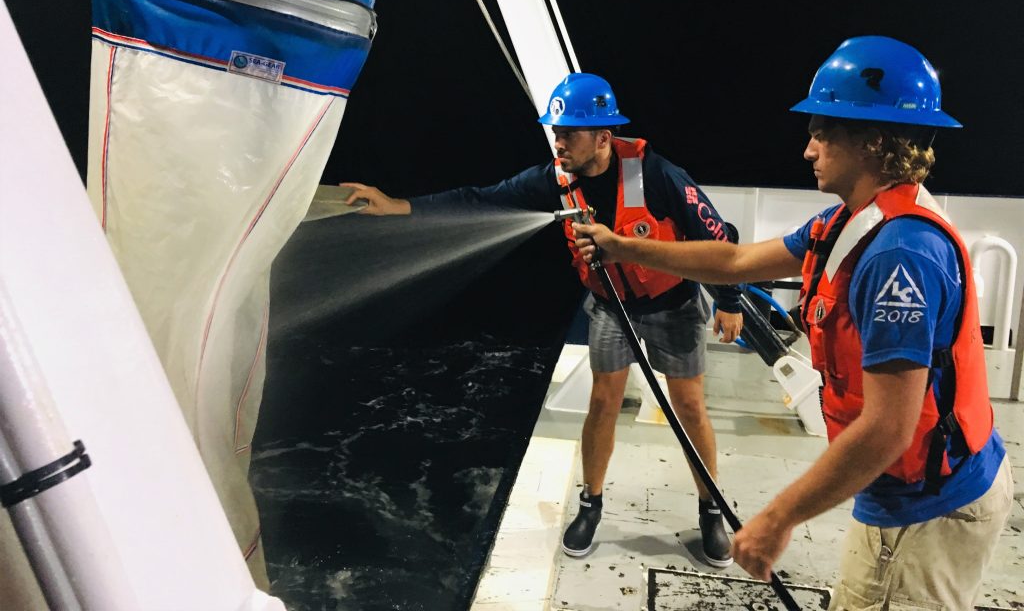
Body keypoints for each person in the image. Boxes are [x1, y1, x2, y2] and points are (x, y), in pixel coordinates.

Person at [573, 37, 1013, 610]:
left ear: (872, 141)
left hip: (927, 514)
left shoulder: (897, 257)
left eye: (823, 131)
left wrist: (777, 519)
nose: (809, 149)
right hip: (897, 498)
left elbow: (888, 429)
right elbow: (733, 260)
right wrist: (624, 250)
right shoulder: (847, 222)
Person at [343, 72, 745, 566]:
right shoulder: (553, 179)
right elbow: (481, 198)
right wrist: (400, 206)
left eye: (568, 133)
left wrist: (728, 301)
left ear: (602, 137)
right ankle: (590, 504)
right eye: (555, 132)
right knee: (602, 402)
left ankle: (710, 512)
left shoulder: (658, 175)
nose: (558, 142)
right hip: (609, 307)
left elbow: (714, 233)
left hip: (673, 305)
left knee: (689, 408)